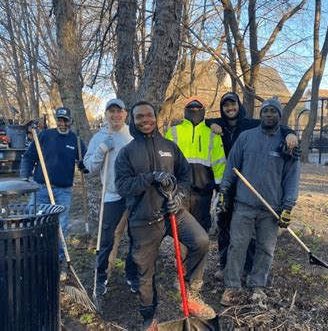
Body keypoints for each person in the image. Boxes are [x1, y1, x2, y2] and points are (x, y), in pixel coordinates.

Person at [114, 101, 215, 330]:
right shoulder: (127, 153)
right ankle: (149, 316)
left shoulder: (169, 146)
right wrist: (149, 177)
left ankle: (191, 291)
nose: (145, 120)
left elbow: (185, 175)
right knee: (145, 272)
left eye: (149, 115)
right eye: (139, 117)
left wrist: (178, 196)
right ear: (133, 120)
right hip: (144, 220)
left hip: (174, 212)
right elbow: (122, 186)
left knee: (201, 241)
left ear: (156, 117)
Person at [206, 92, 299, 279]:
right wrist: (223, 190)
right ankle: (229, 275)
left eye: (273, 111)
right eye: (265, 111)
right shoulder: (232, 130)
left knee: (263, 245)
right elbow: (231, 164)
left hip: (266, 200)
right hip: (237, 194)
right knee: (232, 237)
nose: (269, 115)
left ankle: (254, 277)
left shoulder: (267, 133)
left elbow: (291, 175)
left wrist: (291, 134)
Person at [83, 98, 138, 296]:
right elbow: (89, 167)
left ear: (125, 113)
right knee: (105, 239)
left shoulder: (134, 134)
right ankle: (101, 277)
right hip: (112, 194)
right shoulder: (99, 137)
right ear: (107, 114)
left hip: (133, 194)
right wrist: (102, 149)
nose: (115, 115)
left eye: (119, 111)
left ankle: (132, 275)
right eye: (111, 111)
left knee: (136, 238)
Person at [20, 107, 87, 258]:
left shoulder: (75, 140)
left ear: (71, 121)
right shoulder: (44, 136)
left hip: (63, 191)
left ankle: (58, 259)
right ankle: (33, 254)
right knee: (33, 219)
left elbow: (85, 160)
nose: (62, 123)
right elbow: (28, 158)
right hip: (41, 188)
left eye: (65, 120)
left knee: (60, 226)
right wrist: (24, 178)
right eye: (59, 120)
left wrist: (84, 166)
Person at [165, 96, 226, 233]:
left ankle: (199, 255)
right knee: (180, 230)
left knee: (201, 230)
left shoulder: (212, 134)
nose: (194, 110)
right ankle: (182, 255)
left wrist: (221, 189)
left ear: (203, 110)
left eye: (197, 108)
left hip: (203, 192)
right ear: (185, 110)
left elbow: (219, 163)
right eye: (191, 107)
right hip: (179, 191)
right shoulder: (173, 131)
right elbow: (165, 161)